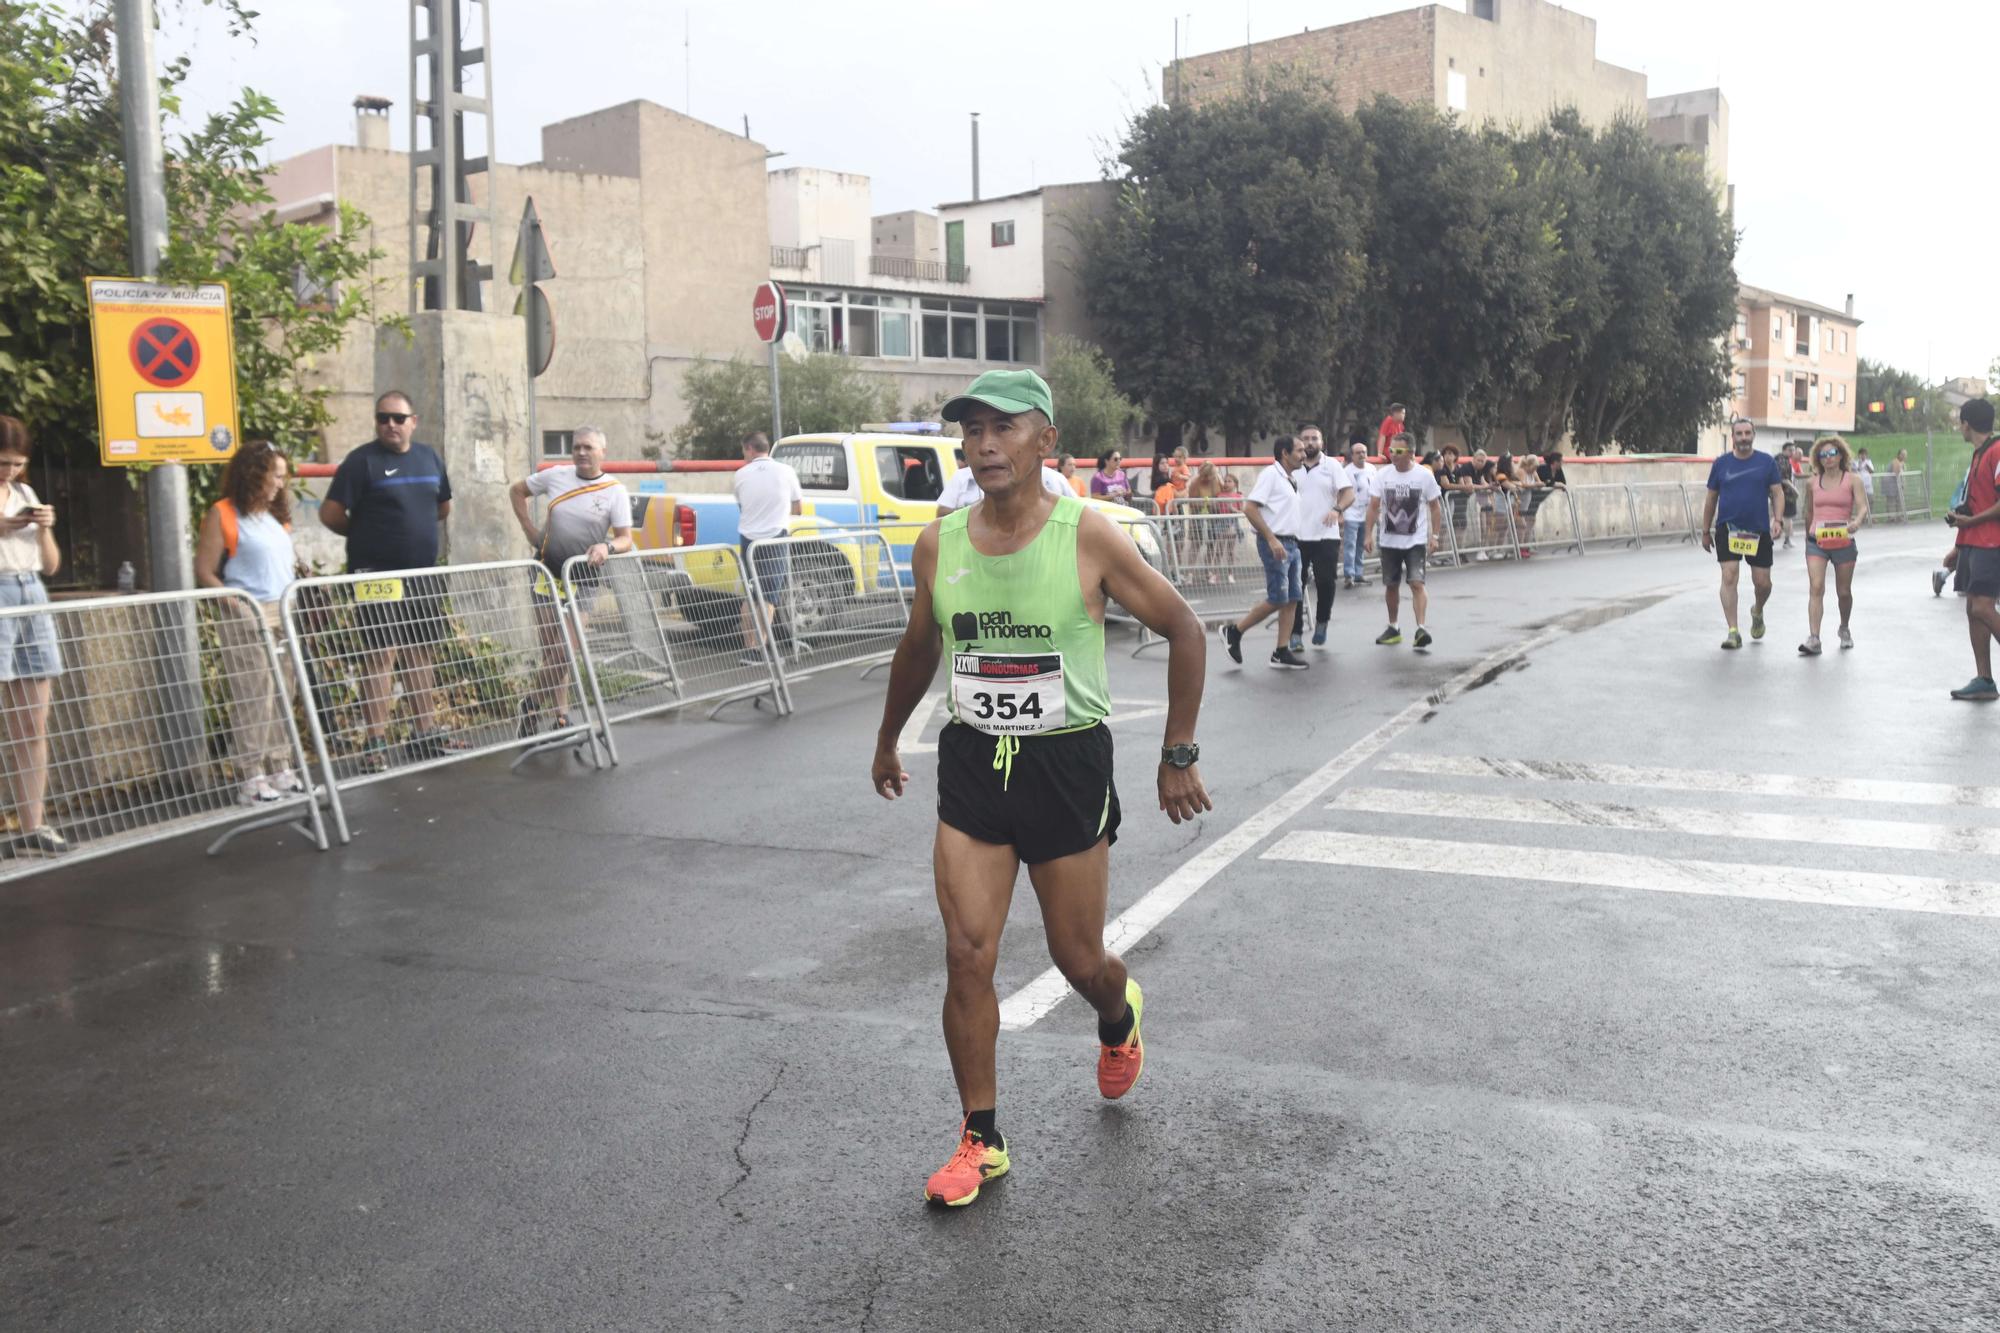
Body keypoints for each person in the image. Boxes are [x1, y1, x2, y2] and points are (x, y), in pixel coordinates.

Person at [869, 367, 1211, 1209]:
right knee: (966, 952)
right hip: (976, 763)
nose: (984, 443)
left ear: (1045, 441)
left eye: (1005, 427)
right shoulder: (938, 542)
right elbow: (919, 648)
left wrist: (1178, 751)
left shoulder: (1086, 534)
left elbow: (1184, 626)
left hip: (1065, 765)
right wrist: (885, 737)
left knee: (1077, 956)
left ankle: (1117, 1011)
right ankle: (980, 1138)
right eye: (972, 429)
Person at [319, 389, 460, 772]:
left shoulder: (429, 457)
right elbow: (330, 514)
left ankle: (424, 732)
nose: (391, 425)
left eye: (399, 418)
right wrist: (367, 535)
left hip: (422, 574)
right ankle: (375, 741)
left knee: (420, 652)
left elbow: (442, 506)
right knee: (380, 655)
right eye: (383, 418)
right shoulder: (361, 462)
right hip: (374, 576)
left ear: (414, 421)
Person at [196, 440, 305, 805]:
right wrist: (235, 602)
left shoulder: (275, 516)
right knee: (253, 694)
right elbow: (205, 571)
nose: (279, 483)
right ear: (254, 475)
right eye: (274, 476)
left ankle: (279, 765)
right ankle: (250, 774)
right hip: (246, 612)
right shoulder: (223, 514)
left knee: (282, 692)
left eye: (282, 476)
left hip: (281, 610)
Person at [510, 425, 633, 732]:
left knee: (566, 648)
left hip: (584, 578)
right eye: (576, 447)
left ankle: (531, 704)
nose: (580, 452)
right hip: (547, 572)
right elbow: (517, 491)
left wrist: (607, 547)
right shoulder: (556, 475)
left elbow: (625, 539)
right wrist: (529, 530)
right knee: (551, 649)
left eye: (588, 447)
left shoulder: (614, 490)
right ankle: (561, 715)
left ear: (602, 452)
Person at [0, 415, 66, 856]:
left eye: (16, 464)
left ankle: (32, 823)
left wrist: (42, 527)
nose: (9, 471)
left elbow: (52, 564)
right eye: (3, 462)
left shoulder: (24, 492)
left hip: (32, 592)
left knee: (33, 719)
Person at [1218, 436, 1309, 670]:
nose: (1303, 454)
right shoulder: (1271, 475)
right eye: (1298, 450)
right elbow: (1249, 508)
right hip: (1276, 543)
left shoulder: (1291, 478)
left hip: (1292, 543)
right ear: (1284, 454)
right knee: (1278, 597)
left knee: (1292, 599)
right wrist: (1271, 539)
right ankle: (1234, 631)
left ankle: (1281, 651)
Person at [1699, 416, 1786, 650]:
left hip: (1758, 529)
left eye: (1748, 433)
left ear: (1753, 435)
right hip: (1728, 528)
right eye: (1739, 434)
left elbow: (1777, 493)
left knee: (1763, 583)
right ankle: (1733, 631)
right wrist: (1705, 530)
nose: (1744, 438)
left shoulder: (1766, 462)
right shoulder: (1721, 464)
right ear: (1733, 437)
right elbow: (1711, 499)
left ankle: (1757, 610)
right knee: (1729, 576)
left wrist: (1777, 520)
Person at [1364, 432, 1443, 649]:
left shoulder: (1424, 476)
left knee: (1416, 583)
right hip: (1389, 541)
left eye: (1399, 451)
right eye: (1391, 451)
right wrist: (1367, 534)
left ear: (1411, 453)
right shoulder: (1383, 475)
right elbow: (1373, 506)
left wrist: (1434, 536)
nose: (1394, 455)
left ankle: (1421, 629)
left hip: (1415, 541)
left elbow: (1435, 507)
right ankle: (1393, 627)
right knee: (1391, 585)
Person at [1945, 398, 2000, 701]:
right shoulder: (1979, 454)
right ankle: (1985, 680)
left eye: (1959, 422)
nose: (1959, 427)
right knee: (1973, 610)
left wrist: (1970, 521)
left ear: (1967, 424)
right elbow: (1974, 502)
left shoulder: (1997, 451)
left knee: (1982, 607)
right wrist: (1958, 545)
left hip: (1992, 542)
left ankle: (1985, 679)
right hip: (1973, 542)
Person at [732, 431, 803, 663]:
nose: (744, 455)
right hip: (775, 538)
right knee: (769, 597)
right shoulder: (786, 472)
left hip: (748, 539)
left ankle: (749, 647)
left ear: (750, 449)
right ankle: (762, 647)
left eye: (744, 451)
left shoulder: (741, 475)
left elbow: (743, 506)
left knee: (750, 595)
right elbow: (798, 508)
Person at [1797, 436, 1869, 656]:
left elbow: (1863, 507)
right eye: (1823, 455)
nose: (1828, 459)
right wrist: (1808, 538)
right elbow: (1809, 512)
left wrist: (1856, 522)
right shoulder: (1812, 482)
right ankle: (1814, 638)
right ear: (1818, 459)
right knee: (1816, 587)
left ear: (1840, 456)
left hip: (1843, 540)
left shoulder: (1852, 480)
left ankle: (1844, 627)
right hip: (1817, 542)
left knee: (1844, 592)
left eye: (1832, 454)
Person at [1291, 425, 1354, 649]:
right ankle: (1295, 632)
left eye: (1314, 439)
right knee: (1295, 585)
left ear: (1321, 442)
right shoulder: (1292, 467)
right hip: (1296, 535)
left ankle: (1322, 621)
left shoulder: (1332, 466)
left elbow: (1348, 492)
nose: (1309, 443)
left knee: (1325, 582)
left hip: (1326, 534)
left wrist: (1337, 509)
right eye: (1305, 439)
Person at [939, 448, 1066, 514]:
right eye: (975, 431)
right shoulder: (961, 477)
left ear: (1045, 440)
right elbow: (942, 511)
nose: (986, 447)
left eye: (1003, 429)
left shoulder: (1054, 478)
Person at [1341, 437, 1376, 588]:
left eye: (1364, 452)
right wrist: (1340, 512)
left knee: (1361, 544)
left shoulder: (1372, 469)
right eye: (1358, 453)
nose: (1362, 455)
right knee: (1350, 544)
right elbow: (1340, 492)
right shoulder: (1346, 471)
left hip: (1366, 513)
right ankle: (1349, 575)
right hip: (1351, 513)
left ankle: (1358, 573)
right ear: (1353, 455)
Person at [1521, 449, 1568, 551]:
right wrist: (1556, 484)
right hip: (1530, 497)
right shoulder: (1543, 468)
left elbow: (1563, 482)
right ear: (1555, 462)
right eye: (1561, 461)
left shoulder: (1558, 470)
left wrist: (1556, 484)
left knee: (1531, 521)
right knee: (1526, 521)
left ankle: (1527, 545)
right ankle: (1522, 547)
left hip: (1537, 499)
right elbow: (1548, 482)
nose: (1562, 463)